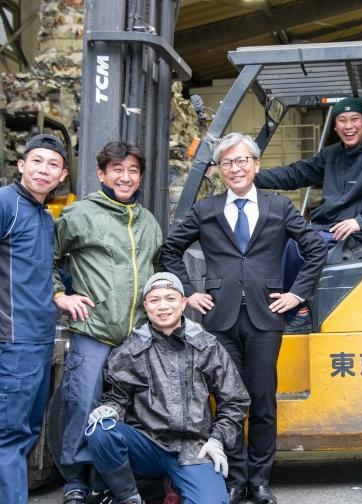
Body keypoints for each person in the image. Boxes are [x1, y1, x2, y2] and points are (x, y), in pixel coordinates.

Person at [162, 133, 327, 504]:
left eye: (241, 161)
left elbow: (315, 247)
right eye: (227, 163)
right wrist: (189, 292)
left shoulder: (277, 206)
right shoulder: (206, 209)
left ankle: (260, 481)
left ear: (255, 165)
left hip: (265, 317)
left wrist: (297, 293)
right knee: (228, 401)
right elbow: (170, 250)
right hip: (219, 319)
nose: (235, 168)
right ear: (220, 169)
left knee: (262, 399)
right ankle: (235, 479)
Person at [53, 141, 163, 504]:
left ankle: (109, 481)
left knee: (130, 410)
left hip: (136, 334)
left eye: (133, 170)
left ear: (140, 177)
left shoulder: (147, 221)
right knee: (83, 402)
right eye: (117, 169)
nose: (126, 177)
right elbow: (48, 257)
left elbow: (159, 269)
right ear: (101, 173)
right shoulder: (79, 214)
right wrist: (60, 294)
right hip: (94, 329)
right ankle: (76, 481)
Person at [84, 272, 250, 504]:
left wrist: (217, 439)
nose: (163, 306)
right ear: (146, 306)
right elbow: (116, 397)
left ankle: (173, 487)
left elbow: (235, 400)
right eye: (155, 300)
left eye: (170, 299)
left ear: (183, 303)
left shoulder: (207, 346)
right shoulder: (130, 349)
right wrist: (109, 409)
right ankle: (128, 497)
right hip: (146, 445)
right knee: (101, 428)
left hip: (192, 449)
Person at [254, 97, 362, 331]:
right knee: (270, 237)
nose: (349, 126)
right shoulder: (331, 155)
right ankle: (272, 308)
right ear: (335, 127)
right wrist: (251, 176)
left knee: (297, 244)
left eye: (355, 119)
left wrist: (360, 222)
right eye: (342, 120)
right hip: (324, 228)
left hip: (349, 233)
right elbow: (295, 174)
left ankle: (298, 312)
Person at [0, 134, 68, 504]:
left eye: (53, 164)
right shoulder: (5, 204)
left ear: (63, 175)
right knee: (9, 436)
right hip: (14, 340)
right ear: (21, 164)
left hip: (38, 342)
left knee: (25, 432)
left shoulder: (44, 216)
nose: (44, 170)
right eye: (37, 161)